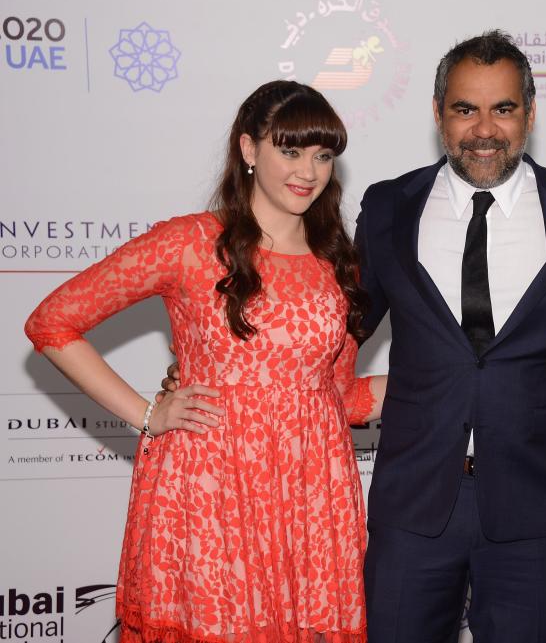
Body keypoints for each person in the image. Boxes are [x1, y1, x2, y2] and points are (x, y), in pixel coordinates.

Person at [25, 80, 385, 643]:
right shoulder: (190, 243)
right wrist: (148, 414)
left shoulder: (337, 263)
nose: (308, 171)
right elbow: (52, 322)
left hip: (309, 499)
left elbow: (336, 398)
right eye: (289, 150)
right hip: (213, 489)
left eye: (322, 155)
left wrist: (438, 380)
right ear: (248, 149)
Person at [356, 31, 546, 643]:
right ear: (438, 113)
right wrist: (226, 363)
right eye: (465, 109)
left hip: (532, 506)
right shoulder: (388, 207)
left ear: (529, 112)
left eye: (503, 109)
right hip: (413, 503)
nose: (484, 130)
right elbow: (337, 330)